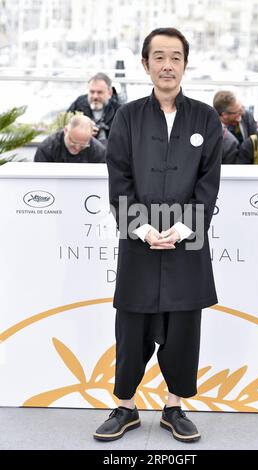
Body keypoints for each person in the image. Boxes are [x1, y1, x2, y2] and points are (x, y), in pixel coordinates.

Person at [93, 28, 222, 443]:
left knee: (183, 327)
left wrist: (182, 228)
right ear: (145, 64)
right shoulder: (127, 116)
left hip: (188, 240)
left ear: (186, 63)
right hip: (138, 238)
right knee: (132, 326)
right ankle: (126, 407)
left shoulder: (206, 117)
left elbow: (208, 183)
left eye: (176, 57)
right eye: (159, 57)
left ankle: (173, 406)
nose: (168, 65)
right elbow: (119, 180)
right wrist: (145, 229)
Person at [67, 72, 120, 145]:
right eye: (92, 92)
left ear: (109, 93)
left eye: (100, 92)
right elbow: (65, 128)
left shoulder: (119, 110)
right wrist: (83, 133)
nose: (95, 96)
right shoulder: (78, 105)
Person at [34, 115, 106, 163]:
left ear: (91, 136)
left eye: (83, 145)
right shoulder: (47, 148)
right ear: (65, 130)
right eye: (73, 143)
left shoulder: (99, 151)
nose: (77, 148)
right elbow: (39, 180)